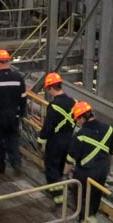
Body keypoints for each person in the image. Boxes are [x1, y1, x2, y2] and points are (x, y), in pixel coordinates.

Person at [65, 101, 113, 223]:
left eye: (77, 120)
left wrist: (64, 176)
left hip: (85, 173)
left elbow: (70, 160)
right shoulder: (109, 129)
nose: (78, 123)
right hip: (102, 171)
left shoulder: (80, 135)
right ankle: (91, 219)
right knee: (95, 197)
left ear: (82, 118)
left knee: (79, 198)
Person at [0, 50, 27, 174]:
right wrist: (22, 113)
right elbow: (23, 98)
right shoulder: (18, 78)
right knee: (13, 140)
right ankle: (16, 164)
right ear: (9, 61)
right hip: (13, 116)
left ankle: (0, 167)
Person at [37, 72, 76, 204]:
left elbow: (48, 126)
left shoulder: (53, 106)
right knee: (61, 166)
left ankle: (57, 195)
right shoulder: (73, 102)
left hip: (55, 142)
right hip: (69, 140)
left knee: (52, 166)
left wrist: (41, 139)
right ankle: (60, 187)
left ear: (50, 88)